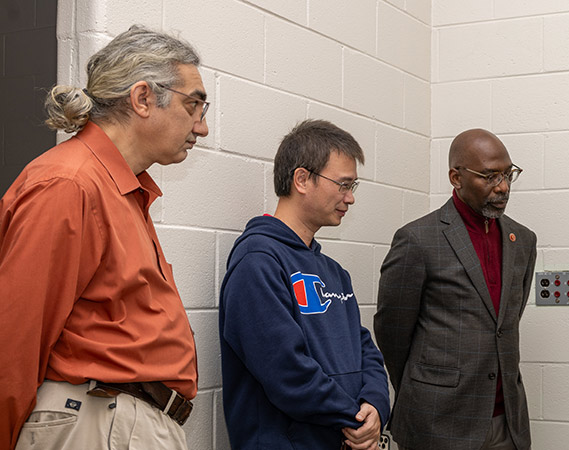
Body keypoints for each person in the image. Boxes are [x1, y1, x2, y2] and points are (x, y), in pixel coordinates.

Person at [0, 26, 208, 450]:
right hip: (98, 425)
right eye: (194, 106)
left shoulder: (120, 189)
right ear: (143, 98)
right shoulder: (71, 184)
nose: (201, 128)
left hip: (118, 424)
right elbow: (14, 343)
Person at [219, 119, 389, 450]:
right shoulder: (258, 262)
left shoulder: (334, 273)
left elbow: (366, 350)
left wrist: (376, 407)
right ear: (302, 179)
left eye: (352, 187)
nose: (349, 198)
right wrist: (354, 417)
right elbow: (286, 372)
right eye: (343, 185)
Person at [375, 129, 538, 450]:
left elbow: (505, 323)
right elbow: (392, 331)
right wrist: (422, 388)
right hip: (438, 422)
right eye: (489, 176)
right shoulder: (418, 239)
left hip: (507, 422)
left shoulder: (523, 240)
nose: (503, 186)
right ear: (456, 177)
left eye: (507, 174)